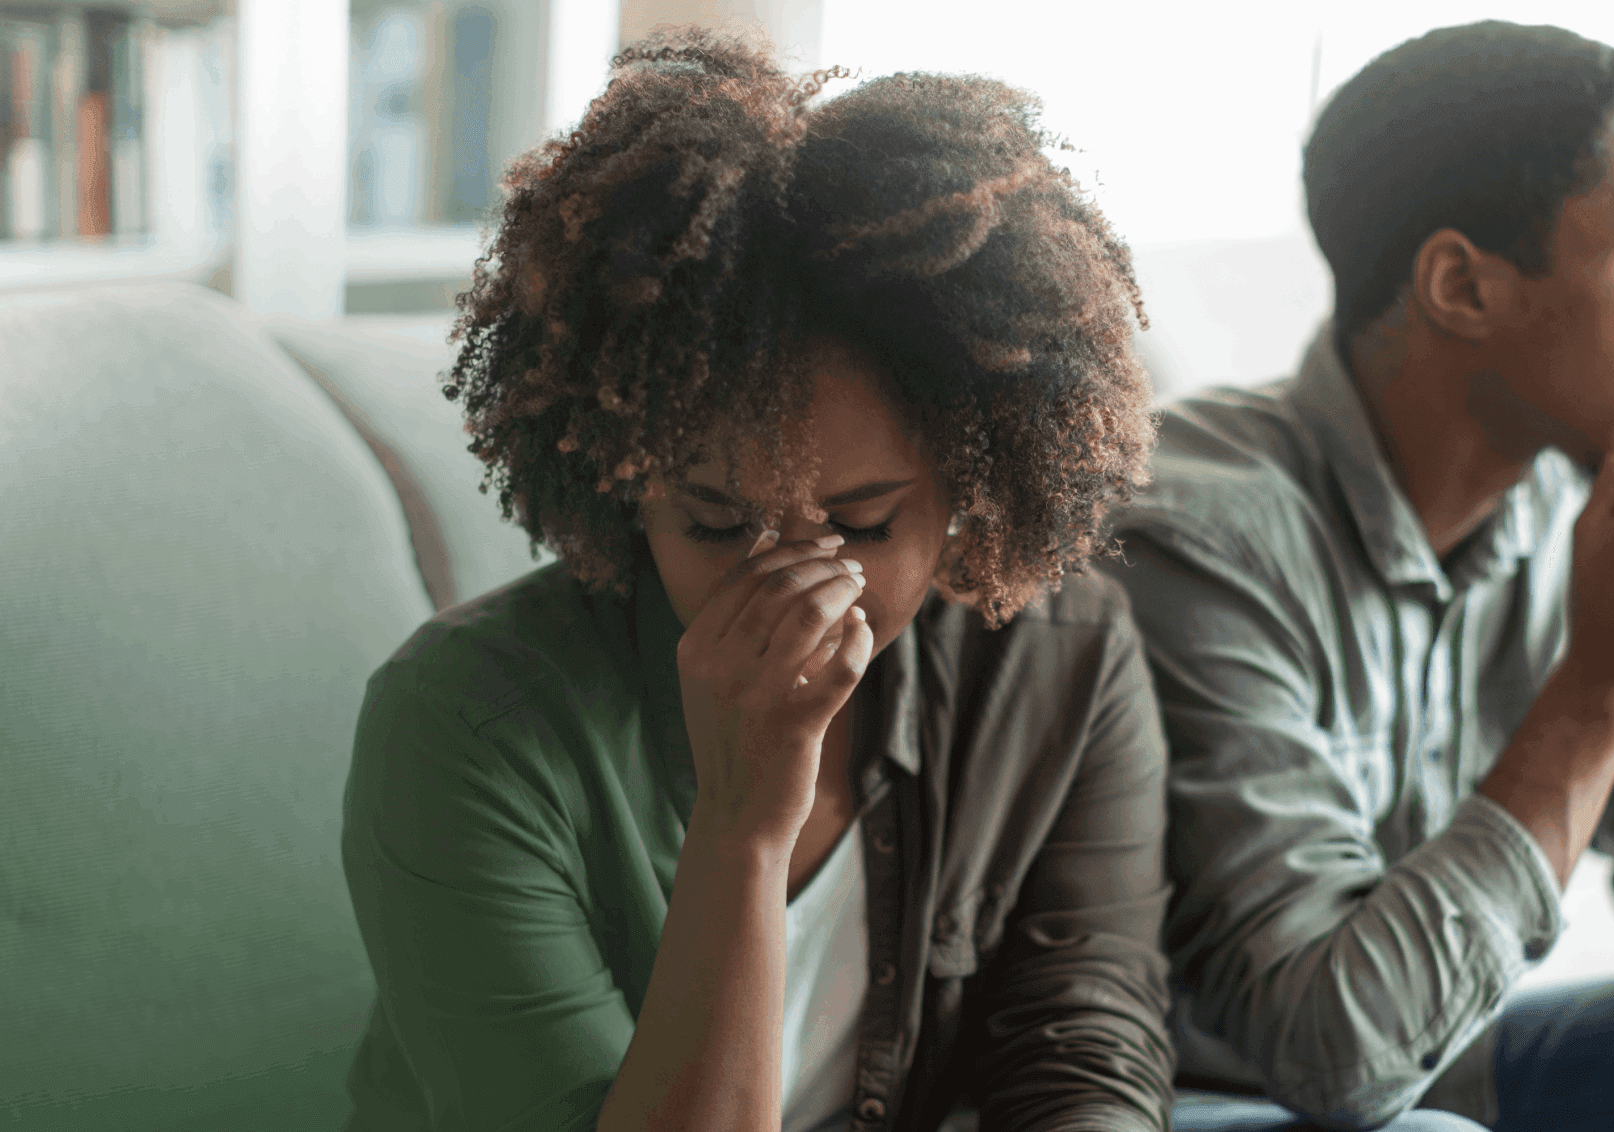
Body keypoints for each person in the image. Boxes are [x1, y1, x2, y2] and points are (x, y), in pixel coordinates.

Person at [1108, 21, 1614, 1132]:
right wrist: (1603, 685)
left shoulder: (1564, 514)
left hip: (1413, 1053)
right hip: (1171, 1089)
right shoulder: (1200, 538)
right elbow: (1332, 1055)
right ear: (1462, 285)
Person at [339, 29, 1174, 1132]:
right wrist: (743, 821)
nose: (794, 586)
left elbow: (1085, 1046)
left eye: (862, 522)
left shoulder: (1060, 658)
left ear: (963, 491)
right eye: (717, 521)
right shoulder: (465, 726)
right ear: (628, 491)